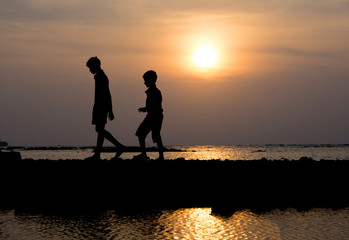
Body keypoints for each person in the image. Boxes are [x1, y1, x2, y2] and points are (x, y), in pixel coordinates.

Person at [85, 57, 124, 160]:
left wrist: (110, 109)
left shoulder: (101, 77)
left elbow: (107, 94)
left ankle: (118, 146)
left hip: (101, 106)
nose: (90, 70)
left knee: (99, 129)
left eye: (90, 68)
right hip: (100, 106)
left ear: (96, 66)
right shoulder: (100, 77)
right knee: (100, 130)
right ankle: (97, 154)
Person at [134, 70, 164, 160]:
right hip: (153, 116)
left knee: (153, 136)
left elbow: (155, 106)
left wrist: (145, 109)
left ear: (151, 80)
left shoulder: (154, 92)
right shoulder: (153, 91)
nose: (144, 82)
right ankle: (150, 155)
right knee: (143, 134)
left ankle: (156, 156)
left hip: (154, 116)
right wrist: (146, 109)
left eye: (146, 80)